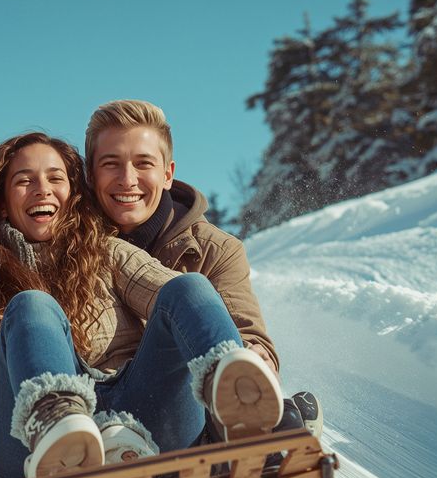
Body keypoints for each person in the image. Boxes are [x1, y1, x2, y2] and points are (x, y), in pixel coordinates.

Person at [0, 132, 284, 478]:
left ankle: (233, 395)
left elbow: (174, 297)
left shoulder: (104, 252)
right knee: (31, 306)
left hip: (138, 408)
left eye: (55, 178)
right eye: (25, 180)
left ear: (72, 194)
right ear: (3, 202)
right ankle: (59, 428)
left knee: (189, 285)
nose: (42, 190)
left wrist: (230, 344)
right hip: (24, 440)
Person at [84, 100, 322, 441]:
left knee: (188, 289)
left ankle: (254, 423)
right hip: (95, 410)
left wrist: (253, 367)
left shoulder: (214, 251)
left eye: (143, 164)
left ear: (167, 174)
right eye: (111, 164)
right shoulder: (66, 249)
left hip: (178, 411)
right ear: (91, 176)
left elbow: (249, 334)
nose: (127, 179)